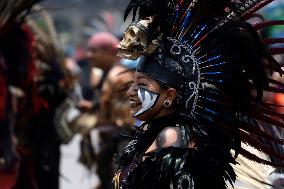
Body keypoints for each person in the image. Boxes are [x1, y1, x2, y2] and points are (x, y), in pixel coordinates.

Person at [114, 0, 284, 189]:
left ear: (170, 95)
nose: (131, 91)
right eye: (133, 83)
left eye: (141, 84)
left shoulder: (171, 137)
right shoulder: (155, 132)